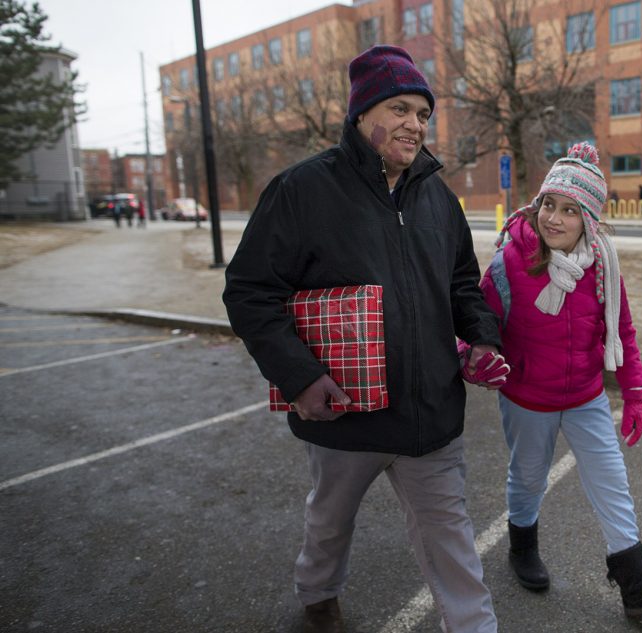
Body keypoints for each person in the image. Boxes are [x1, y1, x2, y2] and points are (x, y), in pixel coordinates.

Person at [223, 45, 506, 633]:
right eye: (399, 108)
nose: (414, 124)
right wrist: (299, 377)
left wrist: (481, 338)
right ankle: (318, 593)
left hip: (431, 414)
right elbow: (249, 291)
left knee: (453, 544)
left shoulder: (438, 196)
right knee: (329, 521)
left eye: (423, 113)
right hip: (343, 414)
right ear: (360, 114)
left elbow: (461, 283)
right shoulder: (301, 190)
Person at [478, 143, 642, 618]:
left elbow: (623, 330)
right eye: (548, 205)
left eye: (570, 210)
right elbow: (477, 326)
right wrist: (473, 357)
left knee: (611, 480)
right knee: (529, 478)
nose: (553, 219)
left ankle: (635, 584)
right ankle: (522, 547)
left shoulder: (602, 264)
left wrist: (635, 393)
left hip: (585, 396)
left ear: (589, 220)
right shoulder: (509, 262)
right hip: (527, 397)